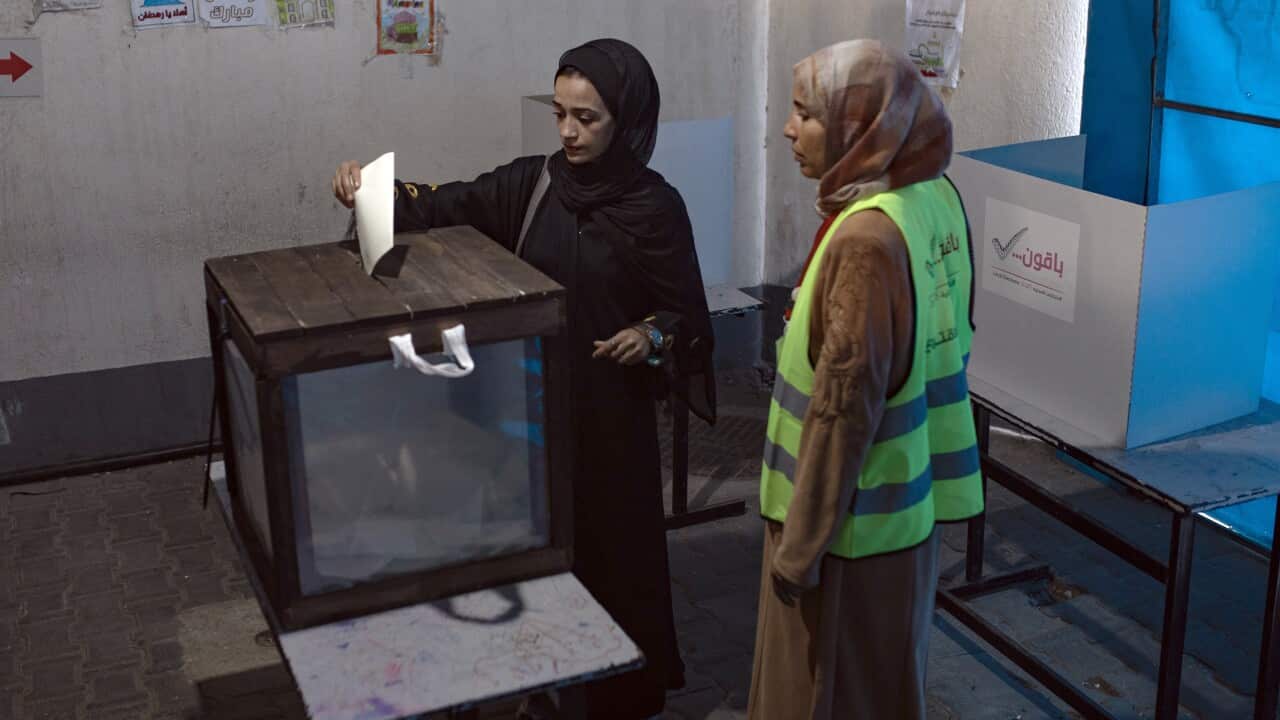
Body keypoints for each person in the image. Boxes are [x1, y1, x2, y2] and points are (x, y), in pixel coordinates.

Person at [332, 38, 715, 720]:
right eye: (560, 113)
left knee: (611, 558)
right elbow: (443, 203)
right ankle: (541, 682)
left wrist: (649, 334)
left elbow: (685, 313)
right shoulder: (532, 185)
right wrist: (372, 191)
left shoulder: (656, 208)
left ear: (626, 120)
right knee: (534, 552)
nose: (568, 131)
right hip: (526, 411)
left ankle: (616, 691)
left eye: (587, 118)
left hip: (608, 422)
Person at [747, 39, 984, 719]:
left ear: (863, 128)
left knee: (821, 697)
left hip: (841, 534)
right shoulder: (934, 197)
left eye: (807, 114)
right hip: (906, 516)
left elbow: (841, 412)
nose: (789, 130)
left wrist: (797, 553)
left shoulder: (864, 243)